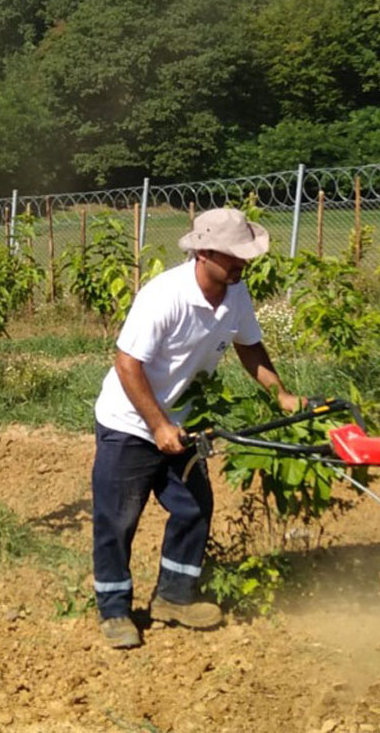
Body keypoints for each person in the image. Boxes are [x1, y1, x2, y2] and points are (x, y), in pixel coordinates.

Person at [91, 207, 302, 649]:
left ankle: (174, 596)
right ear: (204, 253)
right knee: (117, 519)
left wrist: (280, 394)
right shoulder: (163, 296)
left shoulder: (234, 293)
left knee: (193, 507)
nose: (242, 264)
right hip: (129, 422)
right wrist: (157, 424)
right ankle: (114, 611)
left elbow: (250, 347)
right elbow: (127, 364)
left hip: (180, 422)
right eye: (234, 256)